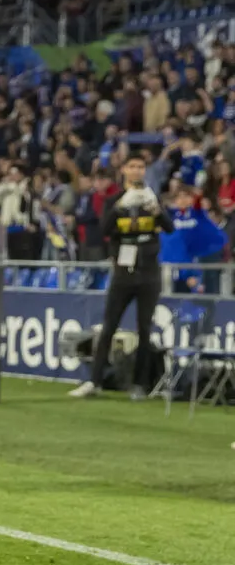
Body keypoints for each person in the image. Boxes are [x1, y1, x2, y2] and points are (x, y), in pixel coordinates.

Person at [69, 155, 174, 399]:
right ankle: (94, 382)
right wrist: (119, 208)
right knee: (108, 327)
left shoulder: (151, 197)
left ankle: (139, 385)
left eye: (140, 167)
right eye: (132, 166)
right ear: (124, 170)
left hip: (148, 273)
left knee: (145, 330)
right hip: (123, 273)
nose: (136, 171)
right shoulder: (114, 200)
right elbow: (104, 229)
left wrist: (157, 211)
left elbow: (169, 228)